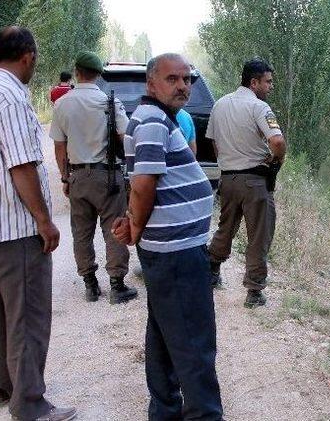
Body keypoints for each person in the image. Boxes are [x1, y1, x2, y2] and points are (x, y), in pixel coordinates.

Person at [112, 53, 223, 420]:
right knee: (195, 343)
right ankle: (204, 415)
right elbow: (143, 185)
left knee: (164, 333)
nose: (182, 86)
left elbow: (143, 184)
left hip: (172, 250)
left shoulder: (156, 118)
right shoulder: (153, 121)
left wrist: (133, 222)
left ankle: (164, 410)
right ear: (152, 84)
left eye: (187, 79)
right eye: (172, 79)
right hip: (176, 253)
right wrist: (137, 228)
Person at [0, 26, 76, 421]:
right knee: (28, 315)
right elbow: (21, 166)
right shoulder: (11, 98)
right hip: (15, 228)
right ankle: (30, 404)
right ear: (28, 57)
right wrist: (44, 221)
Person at [50, 51, 137, 304]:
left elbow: (59, 147)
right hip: (108, 175)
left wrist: (66, 178)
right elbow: (125, 137)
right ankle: (117, 284)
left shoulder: (62, 103)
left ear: (77, 71)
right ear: (99, 74)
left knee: (81, 232)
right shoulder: (110, 102)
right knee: (115, 228)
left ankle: (90, 284)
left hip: (78, 175)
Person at [206, 57, 287, 308]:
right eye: (268, 82)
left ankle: (211, 271)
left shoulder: (219, 104)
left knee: (225, 228)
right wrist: (275, 162)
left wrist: (228, 160)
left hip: (228, 179)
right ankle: (254, 291)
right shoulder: (259, 108)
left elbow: (213, 141)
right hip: (255, 181)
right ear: (254, 82)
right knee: (258, 236)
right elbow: (277, 142)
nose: (271, 86)